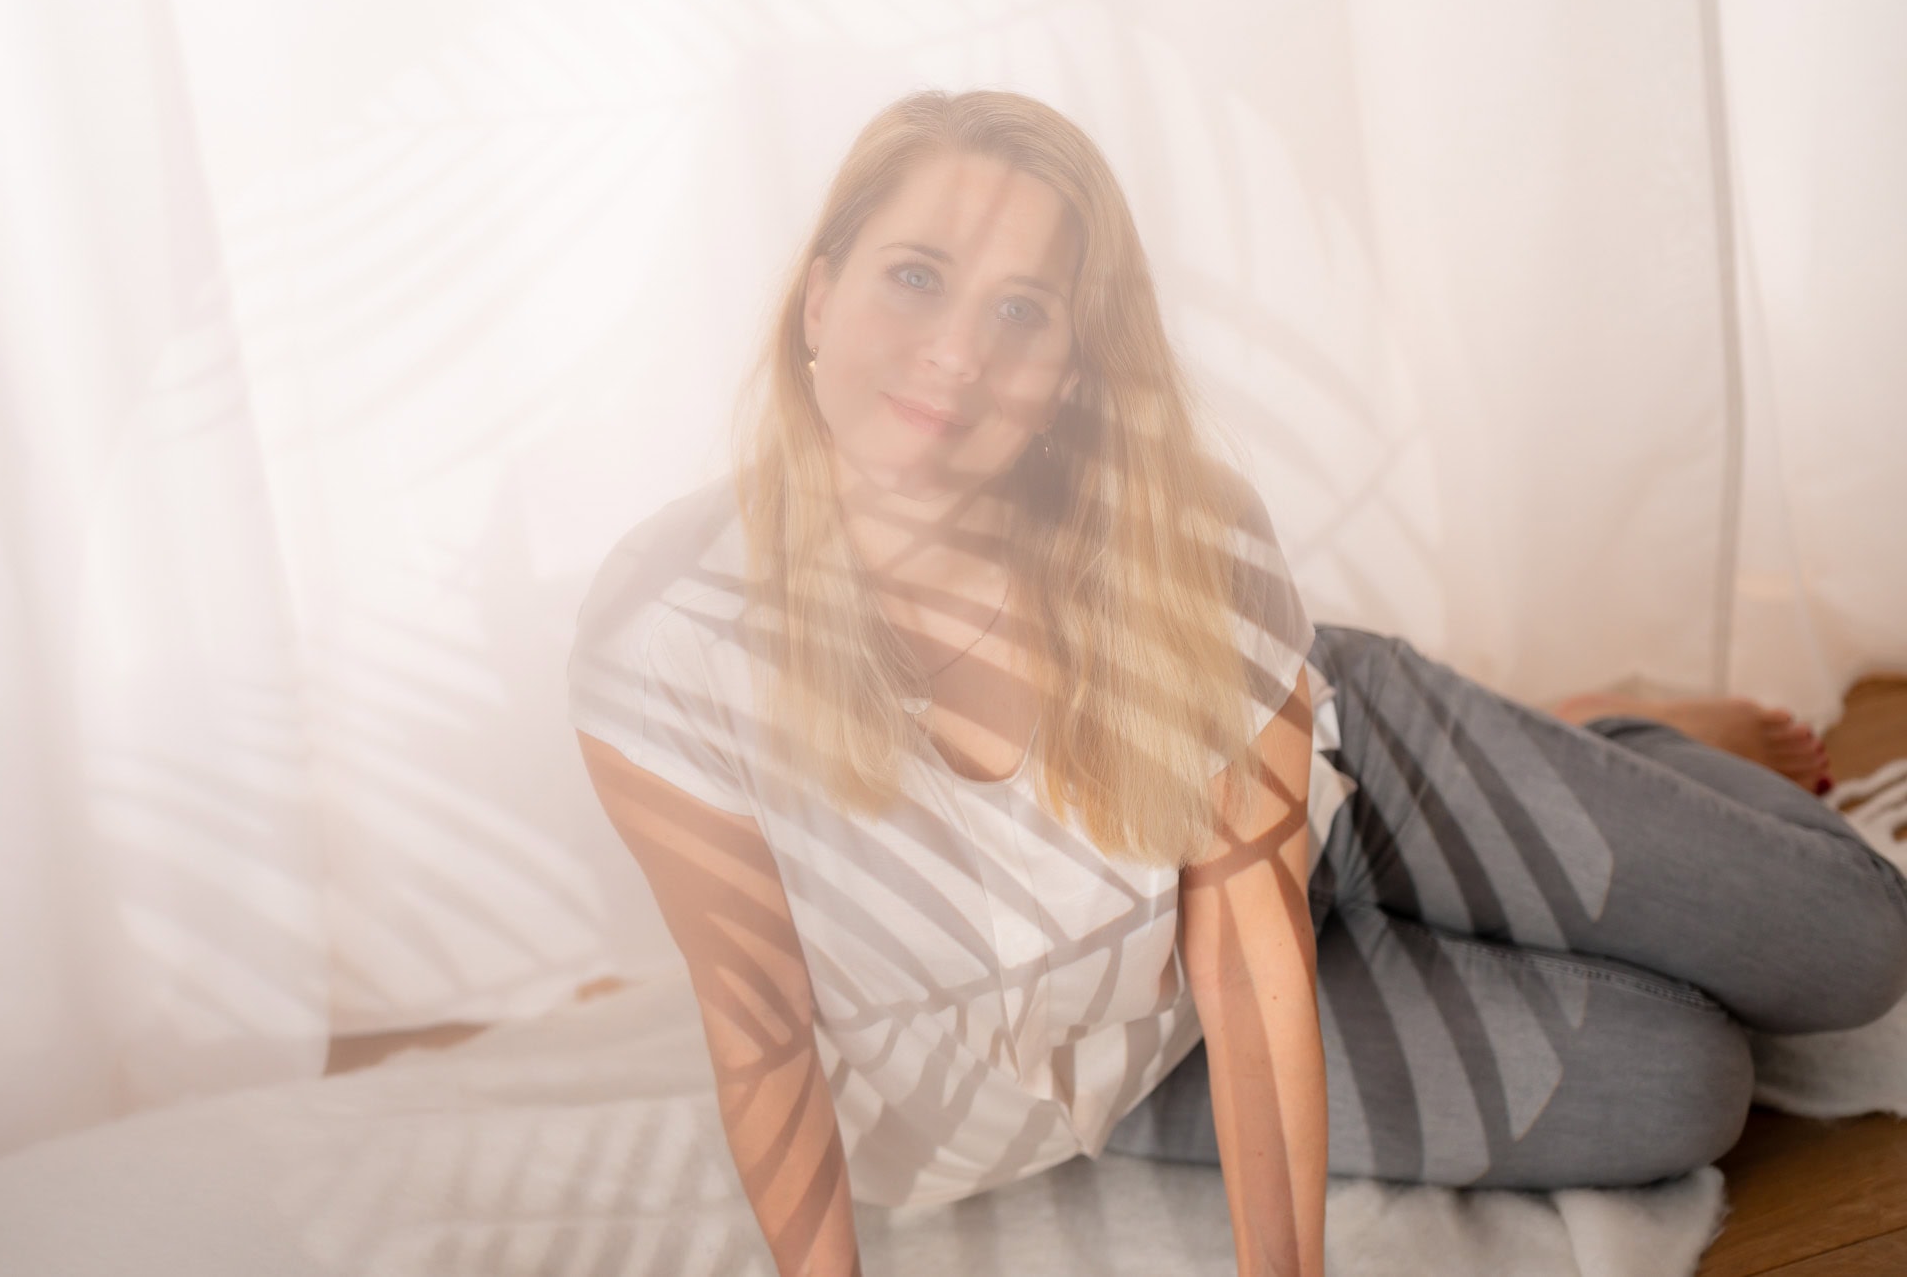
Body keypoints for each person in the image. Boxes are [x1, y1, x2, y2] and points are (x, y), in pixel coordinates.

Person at [567, 89, 1907, 1277]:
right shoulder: (669, 634)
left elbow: (1245, 945)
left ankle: (1595, 731)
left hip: (1329, 784)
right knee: (1680, 1091)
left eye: (1022, 310)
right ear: (818, 299)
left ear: (1069, 372)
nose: (958, 354)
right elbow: (762, 1030)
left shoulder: (1184, 542)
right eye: (915, 277)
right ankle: (1554, 744)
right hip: (1144, 1050)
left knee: (1852, 945)